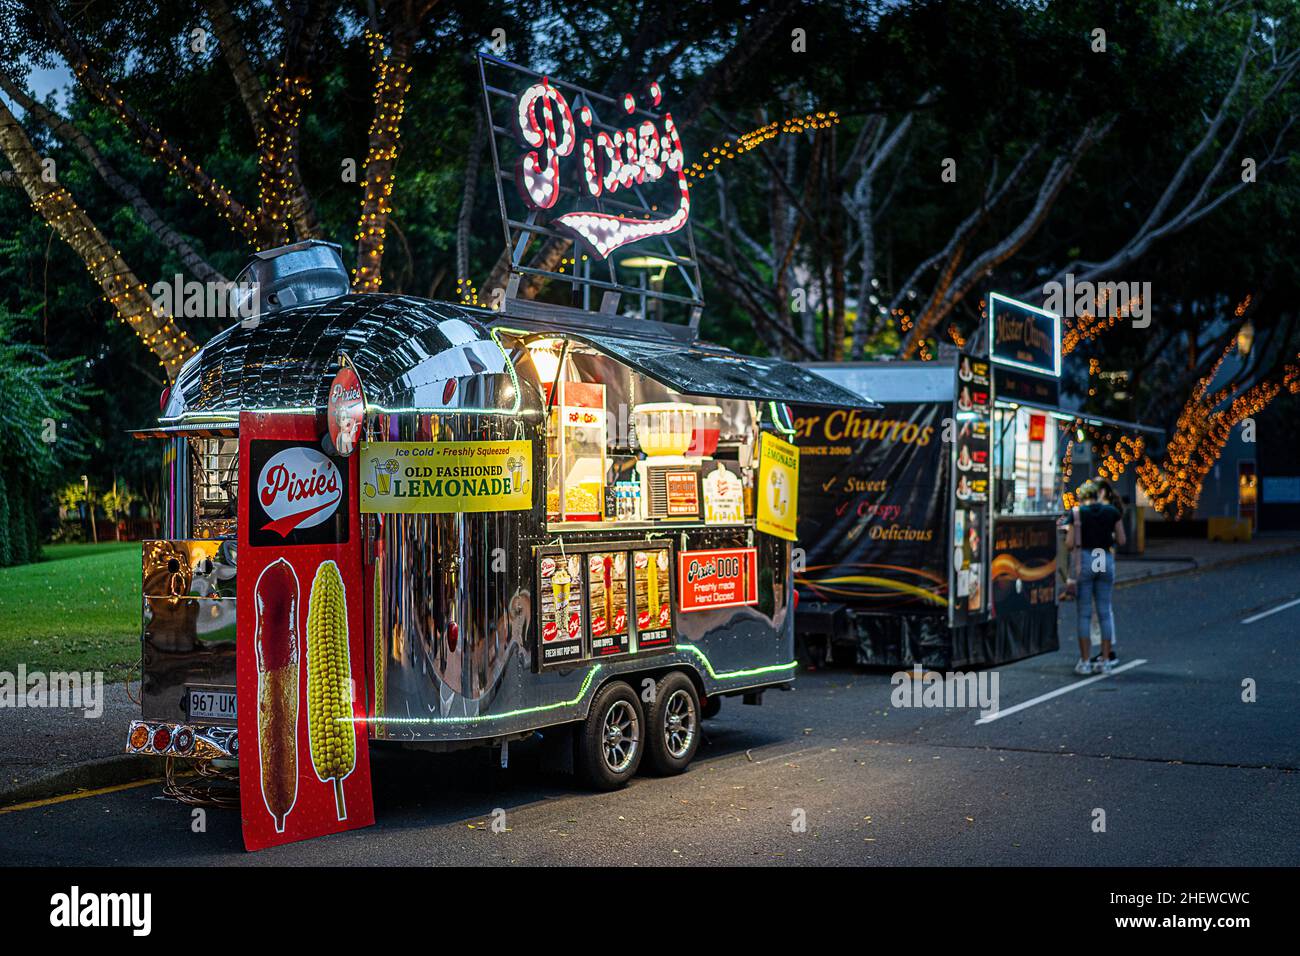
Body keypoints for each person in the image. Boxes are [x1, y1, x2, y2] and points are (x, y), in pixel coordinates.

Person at [1064, 479, 1125, 675]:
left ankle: (1084, 661)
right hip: (1105, 559)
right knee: (1104, 611)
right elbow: (1122, 539)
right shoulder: (1111, 512)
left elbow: (1069, 543)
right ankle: (1105, 660)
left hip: (1086, 560)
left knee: (1084, 613)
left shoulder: (1077, 513)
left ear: (1083, 497)